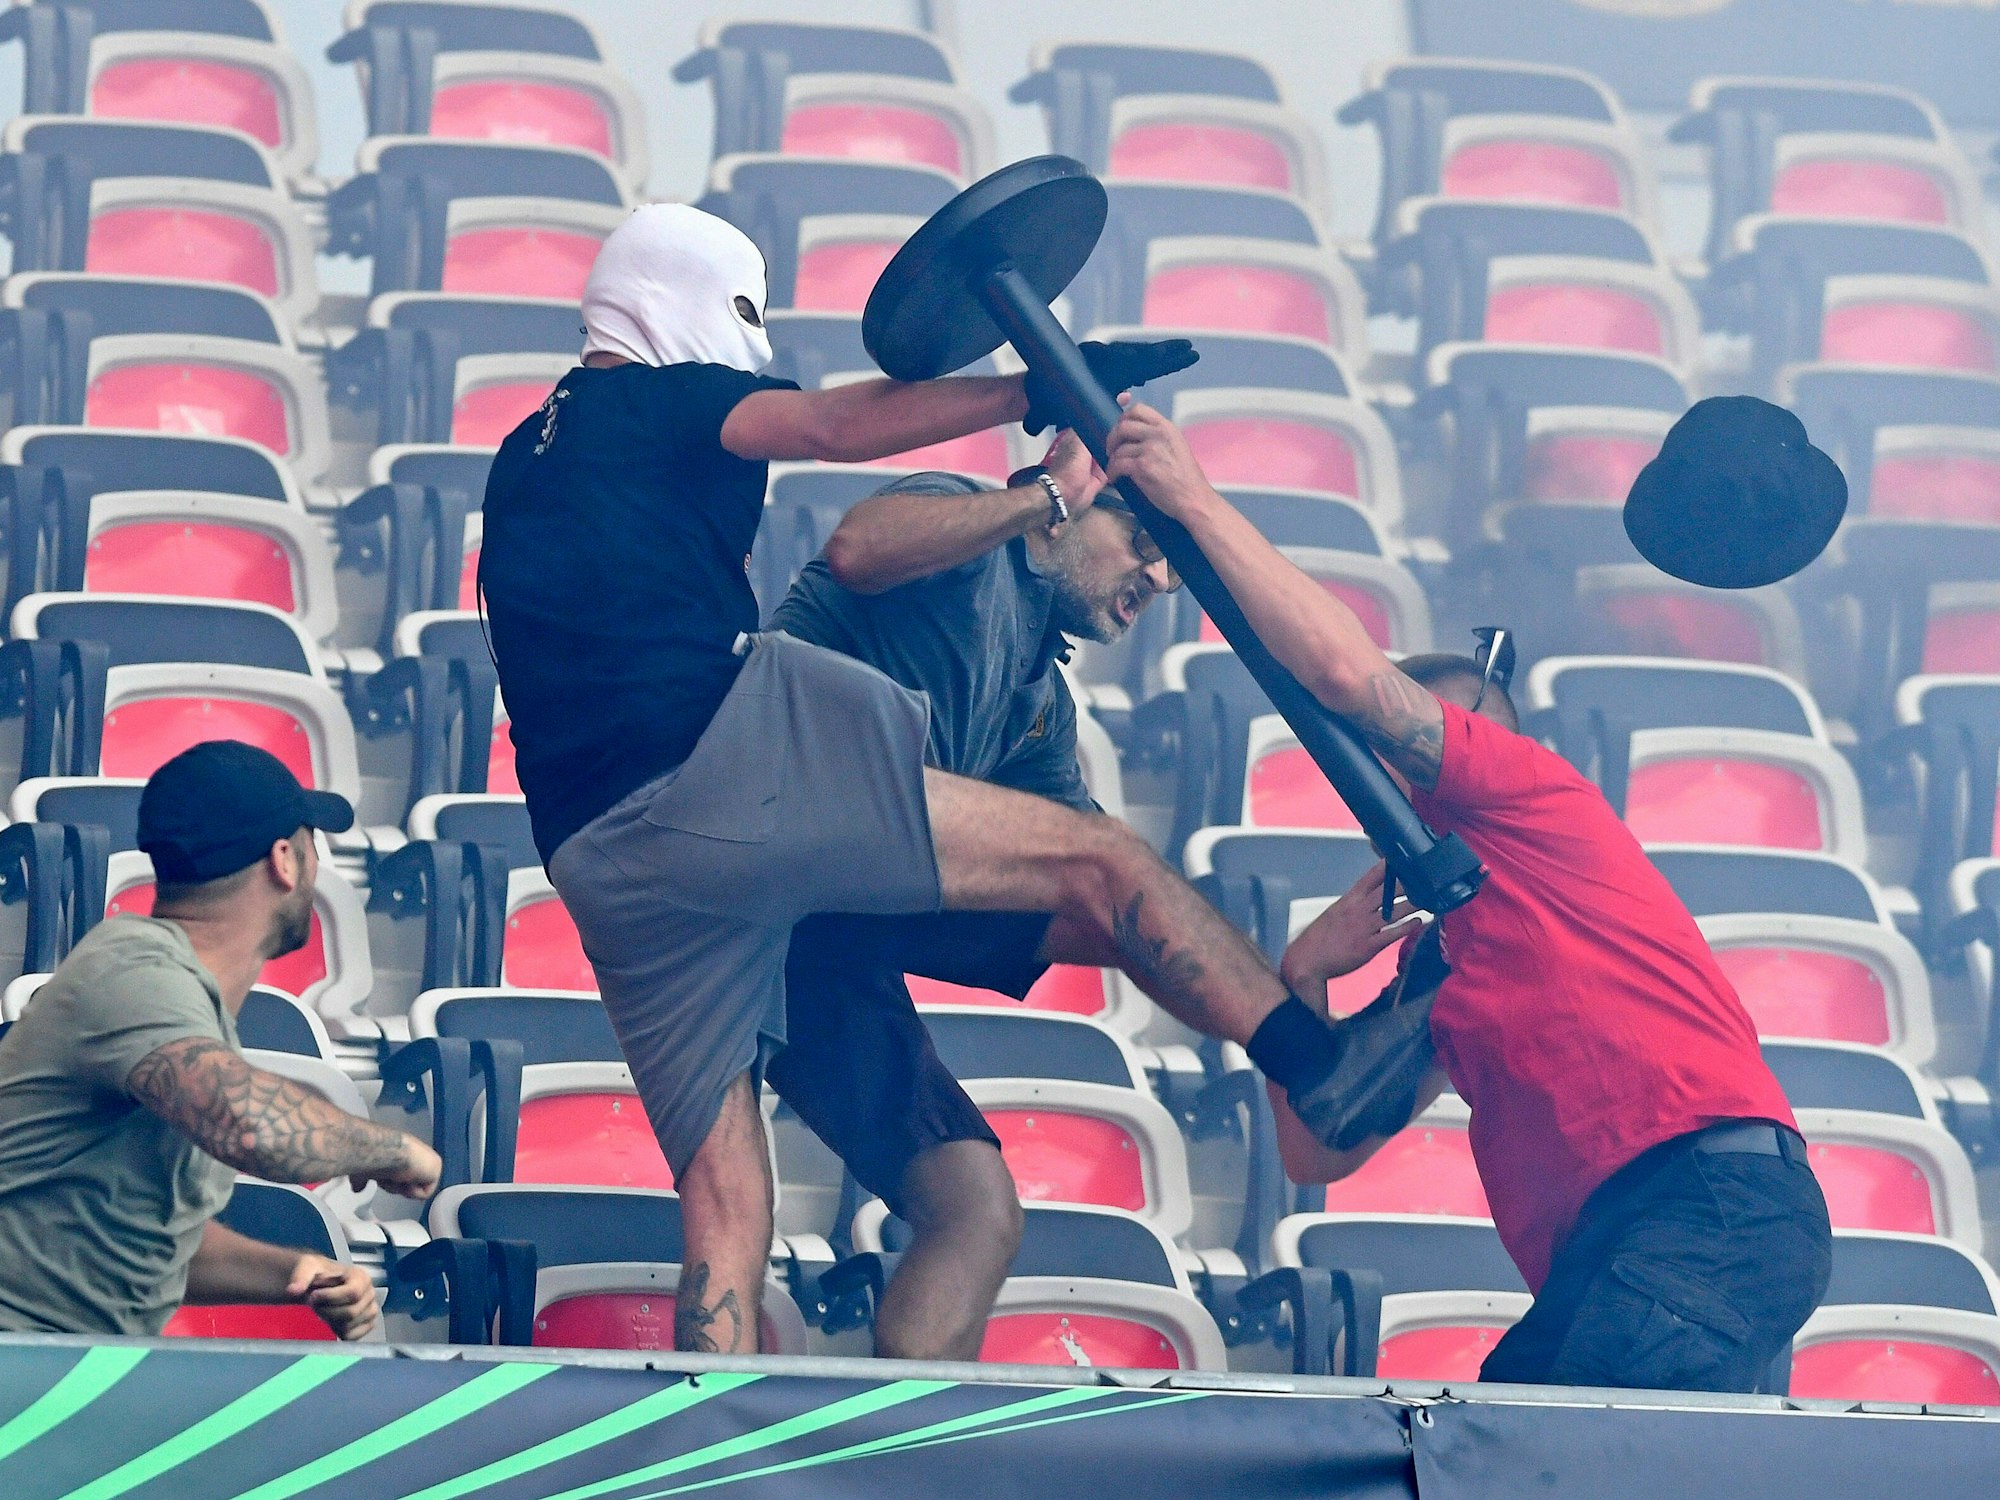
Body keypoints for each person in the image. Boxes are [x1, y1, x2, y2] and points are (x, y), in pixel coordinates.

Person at [479, 204, 1393, 1354]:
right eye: (1141, 545)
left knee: (739, 1204)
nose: (1154, 579)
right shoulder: (651, 395)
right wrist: (1034, 394)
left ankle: (701, 1464)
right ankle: (1322, 1070)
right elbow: (828, 434)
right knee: (1109, 863)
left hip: (605, 856)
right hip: (722, 771)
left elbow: (1093, 908)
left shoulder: (528, 451)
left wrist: (1280, 960)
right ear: (673, 296)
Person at [1102, 400, 1833, 1394]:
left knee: (1540, 1460)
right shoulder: (1448, 963)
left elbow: (1340, 675)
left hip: (1696, 1198)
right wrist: (1303, 976)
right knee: (1490, 1446)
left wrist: (1189, 498)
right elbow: (1317, 1148)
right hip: (1637, 1240)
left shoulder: (1527, 795)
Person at [766, 443, 1189, 1359]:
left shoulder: (1042, 700)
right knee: (728, 1200)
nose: (1156, 578)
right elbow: (856, 547)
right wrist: (1038, 499)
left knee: (979, 1210)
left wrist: (1280, 990)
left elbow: (1096, 885)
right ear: (1076, 505)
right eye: (1144, 540)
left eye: (1173, 568)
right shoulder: (964, 525)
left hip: (829, 941)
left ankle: (910, 1463)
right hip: (741, 873)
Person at [0, 741, 444, 1340]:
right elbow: (252, 1127)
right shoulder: (138, 970)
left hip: (67, 1359)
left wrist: (293, 1270)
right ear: (285, 860)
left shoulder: (172, 1000)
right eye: (314, 844)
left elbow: (156, 1241)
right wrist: (395, 1150)